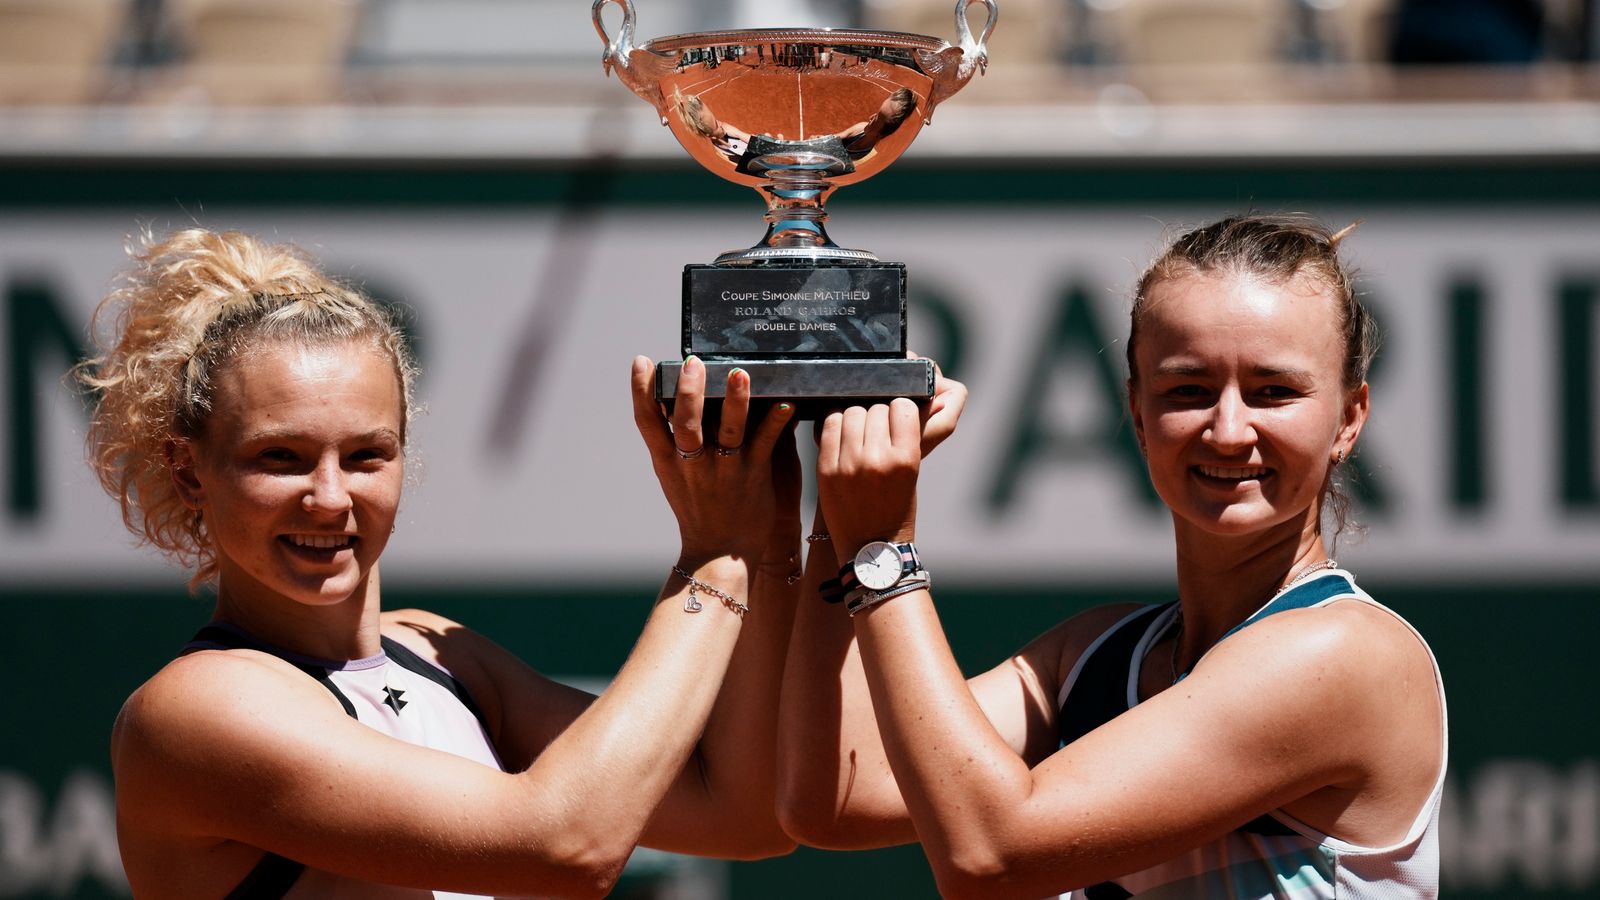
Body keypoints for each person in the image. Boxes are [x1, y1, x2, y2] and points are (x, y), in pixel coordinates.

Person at [81, 228, 801, 898]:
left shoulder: (436, 650)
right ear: (187, 473)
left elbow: (742, 815)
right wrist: (714, 562)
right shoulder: (196, 710)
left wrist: (770, 535)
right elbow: (566, 845)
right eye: (280, 458)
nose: (330, 498)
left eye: (366, 455)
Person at [777, 214, 1448, 899]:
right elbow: (836, 795)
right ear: (1136, 412)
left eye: (1274, 391)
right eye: (1187, 390)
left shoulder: (1344, 653)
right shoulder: (1094, 653)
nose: (1227, 429)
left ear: (1349, 419)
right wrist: (843, 501)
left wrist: (884, 555)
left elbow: (989, 854)